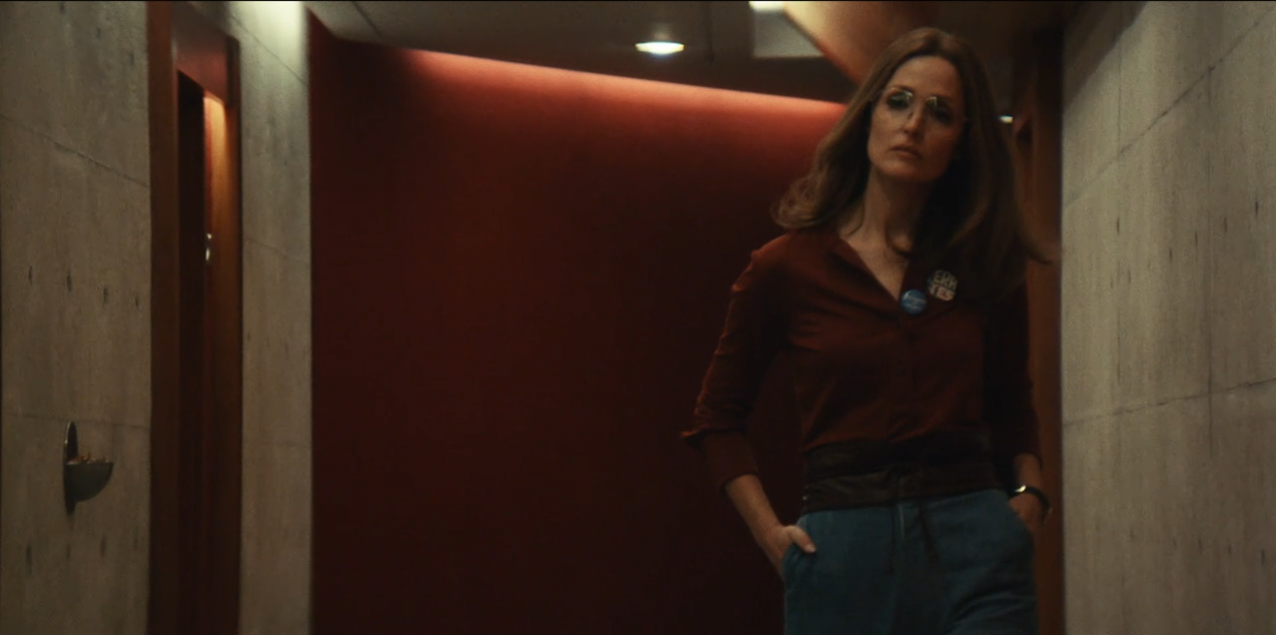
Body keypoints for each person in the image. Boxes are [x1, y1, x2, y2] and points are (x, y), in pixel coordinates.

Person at [681, 26, 1055, 635]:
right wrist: (771, 537)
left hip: (976, 543)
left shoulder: (983, 262)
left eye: (940, 112)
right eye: (898, 102)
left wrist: (1032, 497)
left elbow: (1012, 398)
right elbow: (717, 420)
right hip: (844, 550)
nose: (914, 124)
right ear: (868, 116)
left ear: (961, 142)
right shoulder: (786, 267)